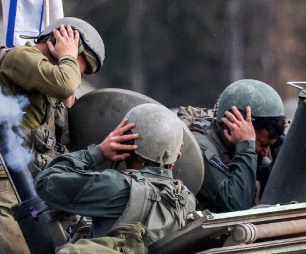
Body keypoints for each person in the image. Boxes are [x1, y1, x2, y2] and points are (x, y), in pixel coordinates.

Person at [0, 17, 105, 254]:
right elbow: (65, 84)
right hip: (6, 188)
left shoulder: (43, 86)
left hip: (21, 192)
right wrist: (68, 56)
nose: (80, 72)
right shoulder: (19, 57)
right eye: (83, 62)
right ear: (63, 40)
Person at [34, 103, 197, 251]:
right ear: (176, 157)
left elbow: (44, 182)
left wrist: (97, 152)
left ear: (126, 143)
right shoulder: (187, 200)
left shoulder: (116, 186)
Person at [178, 79, 286, 213]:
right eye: (262, 144)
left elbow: (281, 189)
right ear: (232, 125)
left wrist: (281, 147)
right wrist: (246, 146)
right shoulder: (200, 148)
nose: (265, 152)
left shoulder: (253, 150)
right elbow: (239, 205)